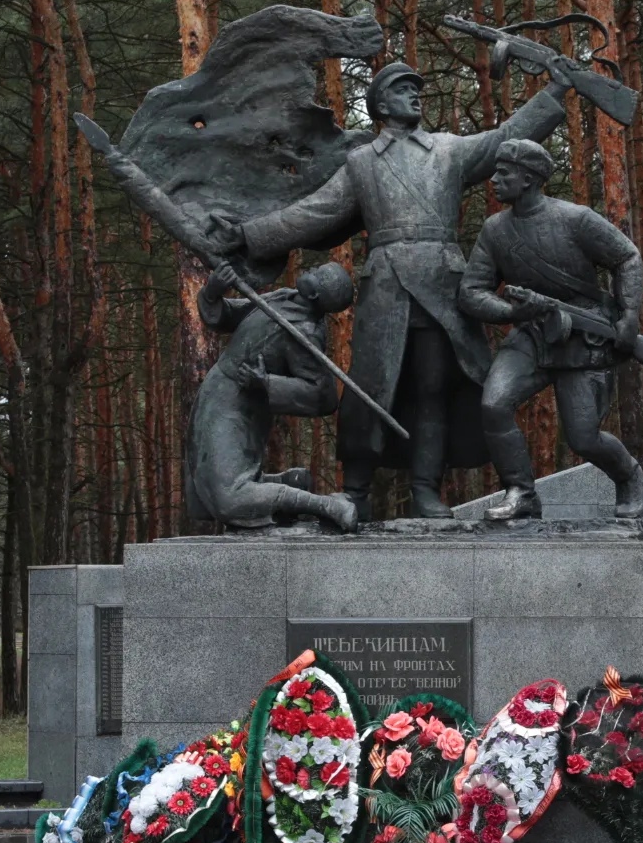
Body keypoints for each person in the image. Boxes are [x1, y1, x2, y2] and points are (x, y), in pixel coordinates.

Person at [207, 60, 573, 520]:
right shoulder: (361, 163)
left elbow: (505, 137)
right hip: (386, 286)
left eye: (416, 88)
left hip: (442, 283)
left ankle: (425, 489)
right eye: (403, 89)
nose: (416, 95)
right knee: (370, 388)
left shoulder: (448, 149)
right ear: (381, 104)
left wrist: (555, 90)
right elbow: (313, 213)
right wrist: (246, 234)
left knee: (435, 388)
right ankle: (355, 490)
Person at [457, 139, 643, 520]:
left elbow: (627, 256)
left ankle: (628, 474)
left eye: (503, 173)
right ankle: (521, 492)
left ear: (528, 179)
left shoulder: (575, 219)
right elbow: (471, 291)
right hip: (531, 334)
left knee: (584, 439)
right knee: (494, 405)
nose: (493, 180)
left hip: (581, 337)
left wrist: (628, 316)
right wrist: (511, 311)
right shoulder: (495, 230)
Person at [187, 263, 359, 531]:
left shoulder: (305, 332)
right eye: (317, 268)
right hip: (217, 391)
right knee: (201, 497)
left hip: (241, 409)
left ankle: (326, 506)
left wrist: (266, 383)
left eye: (317, 275)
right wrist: (213, 291)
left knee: (228, 500)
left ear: (316, 296)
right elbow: (228, 317)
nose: (309, 271)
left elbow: (322, 395)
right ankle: (285, 484)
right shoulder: (283, 297)